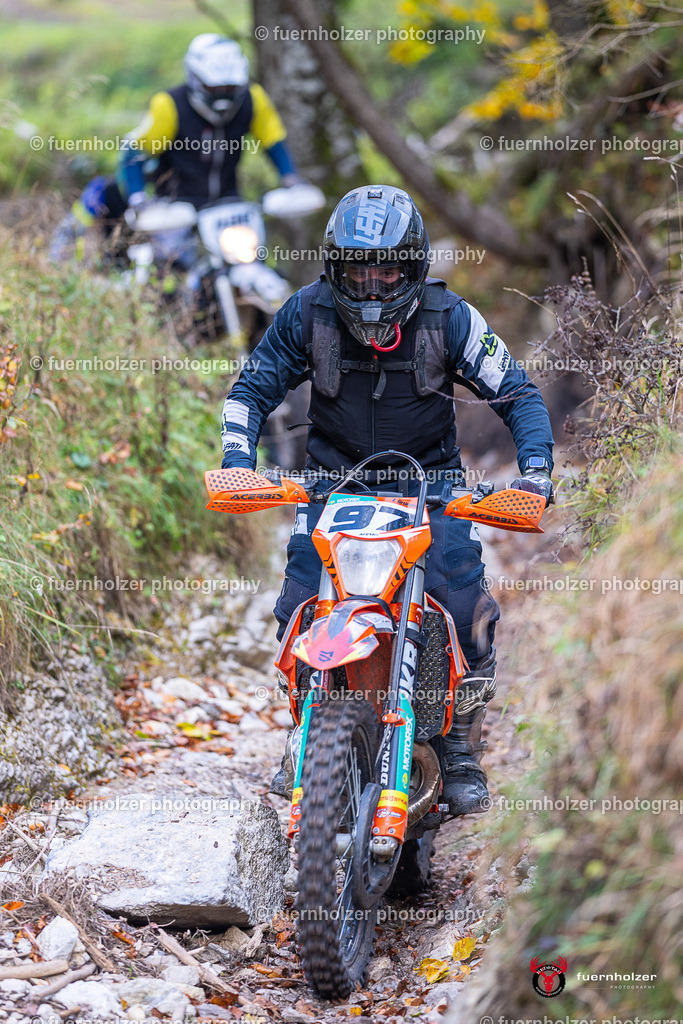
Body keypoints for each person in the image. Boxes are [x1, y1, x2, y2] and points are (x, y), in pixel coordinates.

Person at [219, 184, 555, 816]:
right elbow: (249, 392)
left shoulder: (449, 318)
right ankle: (305, 733)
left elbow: (517, 393)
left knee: (465, 609)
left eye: (386, 270)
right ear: (333, 268)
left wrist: (535, 472)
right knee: (296, 605)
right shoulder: (306, 313)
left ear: (414, 266)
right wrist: (240, 461)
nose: (371, 286)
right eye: (356, 271)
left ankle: (458, 748)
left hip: (429, 488)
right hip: (330, 487)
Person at [49, 33, 303, 260]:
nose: (223, 94)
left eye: (230, 87)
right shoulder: (169, 105)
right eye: (215, 87)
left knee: (252, 261)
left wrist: (290, 178)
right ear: (195, 77)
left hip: (228, 205)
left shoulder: (253, 99)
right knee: (173, 274)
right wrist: (138, 198)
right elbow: (134, 153)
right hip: (175, 209)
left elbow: (273, 141)